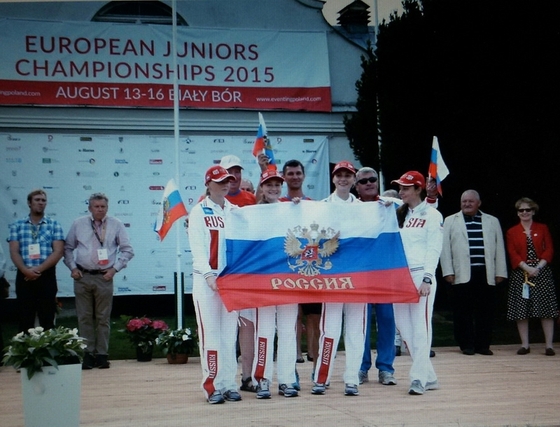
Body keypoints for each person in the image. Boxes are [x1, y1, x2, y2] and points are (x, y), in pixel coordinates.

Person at [188, 165, 242, 404]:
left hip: (231, 282)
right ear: (208, 184)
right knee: (210, 335)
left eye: (228, 180)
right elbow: (198, 249)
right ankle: (212, 386)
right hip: (206, 281)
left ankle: (229, 384)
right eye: (220, 181)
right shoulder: (198, 211)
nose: (225, 184)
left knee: (229, 336)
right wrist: (209, 276)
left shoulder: (236, 211)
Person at [63, 192, 134, 370]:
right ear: (90, 208)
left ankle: (102, 354)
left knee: (103, 318)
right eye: (96, 206)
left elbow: (127, 250)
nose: (100, 209)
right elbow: (68, 248)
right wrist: (72, 268)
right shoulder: (78, 224)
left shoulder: (116, 224)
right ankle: (87, 354)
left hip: (104, 277)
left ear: (107, 208)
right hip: (83, 276)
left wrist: (114, 269)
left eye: (103, 206)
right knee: (84, 317)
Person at [312, 161, 365, 397]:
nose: (343, 179)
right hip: (332, 274)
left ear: (354, 180)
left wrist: (385, 205)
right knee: (330, 328)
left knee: (355, 330)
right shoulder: (322, 206)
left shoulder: (365, 207)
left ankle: (352, 379)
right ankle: (322, 378)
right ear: (333, 179)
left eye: (348, 175)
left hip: (358, 276)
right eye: (339, 175)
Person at [391, 171, 443, 395]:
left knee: (421, 328)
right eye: (400, 188)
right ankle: (429, 376)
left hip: (421, 275)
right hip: (400, 278)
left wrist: (427, 278)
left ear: (418, 190)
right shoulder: (399, 212)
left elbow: (434, 248)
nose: (401, 191)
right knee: (404, 328)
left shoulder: (432, 215)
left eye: (405, 188)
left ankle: (418, 379)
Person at [440, 190, 508, 356]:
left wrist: (500, 271)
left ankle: (483, 345)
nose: (467, 204)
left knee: (485, 311)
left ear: (479, 203)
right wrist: (448, 271)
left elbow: (499, 248)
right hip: (461, 272)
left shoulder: (492, 221)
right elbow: (444, 249)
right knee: (463, 312)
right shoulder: (450, 221)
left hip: (485, 272)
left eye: (470, 201)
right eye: (464, 201)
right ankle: (466, 345)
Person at [251, 169, 299, 399]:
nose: (273, 188)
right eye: (268, 184)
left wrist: (299, 208)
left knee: (288, 331)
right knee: (265, 331)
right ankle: (262, 380)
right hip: (264, 281)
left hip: (289, 278)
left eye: (277, 185)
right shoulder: (252, 212)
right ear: (261, 187)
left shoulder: (290, 208)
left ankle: (287, 380)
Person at [354, 167, 397, 387]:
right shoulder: (350, 208)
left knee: (387, 320)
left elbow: (418, 210)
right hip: (360, 272)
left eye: (373, 179)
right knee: (361, 322)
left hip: (385, 272)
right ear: (357, 186)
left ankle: (386, 368)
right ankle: (361, 367)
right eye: (364, 181)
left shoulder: (390, 204)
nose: (369, 183)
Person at [219, 154, 258, 393]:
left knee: (248, 325)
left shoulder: (250, 200)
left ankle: (247, 376)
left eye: (237, 172)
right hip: (223, 273)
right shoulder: (208, 202)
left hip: (247, 272)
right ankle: (226, 379)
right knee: (225, 327)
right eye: (229, 173)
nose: (234, 177)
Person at [278, 160, 320, 368]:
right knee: (294, 312)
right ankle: (295, 352)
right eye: (290, 174)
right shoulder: (278, 204)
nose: (294, 177)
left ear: (303, 176)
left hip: (310, 263)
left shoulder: (312, 203)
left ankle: (313, 352)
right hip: (288, 263)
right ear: (284, 177)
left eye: (298, 173)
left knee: (313, 313)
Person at [505, 197, 558, 356]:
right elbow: (512, 253)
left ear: (533, 211)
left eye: (528, 209)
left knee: (546, 309)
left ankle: (549, 345)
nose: (524, 213)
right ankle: (525, 345)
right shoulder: (512, 231)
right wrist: (526, 267)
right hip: (521, 273)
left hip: (541, 271)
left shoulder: (542, 228)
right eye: (521, 210)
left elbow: (549, 249)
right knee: (521, 310)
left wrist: (538, 267)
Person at [8, 189, 64, 332]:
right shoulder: (17, 225)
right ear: (29, 203)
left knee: (47, 318)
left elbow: (58, 251)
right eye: (37, 200)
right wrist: (25, 270)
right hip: (25, 275)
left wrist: (38, 269)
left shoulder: (54, 224)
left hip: (46, 275)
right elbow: (14, 251)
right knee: (25, 317)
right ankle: (26, 352)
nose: (40, 203)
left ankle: (49, 351)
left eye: (43, 200)